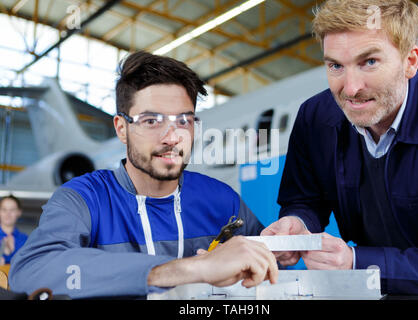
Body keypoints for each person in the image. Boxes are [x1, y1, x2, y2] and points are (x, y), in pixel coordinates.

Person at [9, 52, 278, 299]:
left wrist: (291, 247)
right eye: (151, 121)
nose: (172, 138)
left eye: (184, 120)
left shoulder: (222, 199)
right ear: (122, 128)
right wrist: (187, 269)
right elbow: (31, 272)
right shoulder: (82, 199)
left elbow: (266, 254)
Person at [262, 0, 418, 295]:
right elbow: (306, 200)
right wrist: (297, 224)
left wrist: (355, 261)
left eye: (369, 62)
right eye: (336, 65)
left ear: (410, 61)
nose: (350, 89)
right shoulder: (316, 118)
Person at [0, 195, 28, 266]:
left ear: (19, 212)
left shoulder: (26, 240)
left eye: (12, 210)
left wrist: (10, 253)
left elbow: (28, 266)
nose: (8, 214)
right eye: (4, 209)